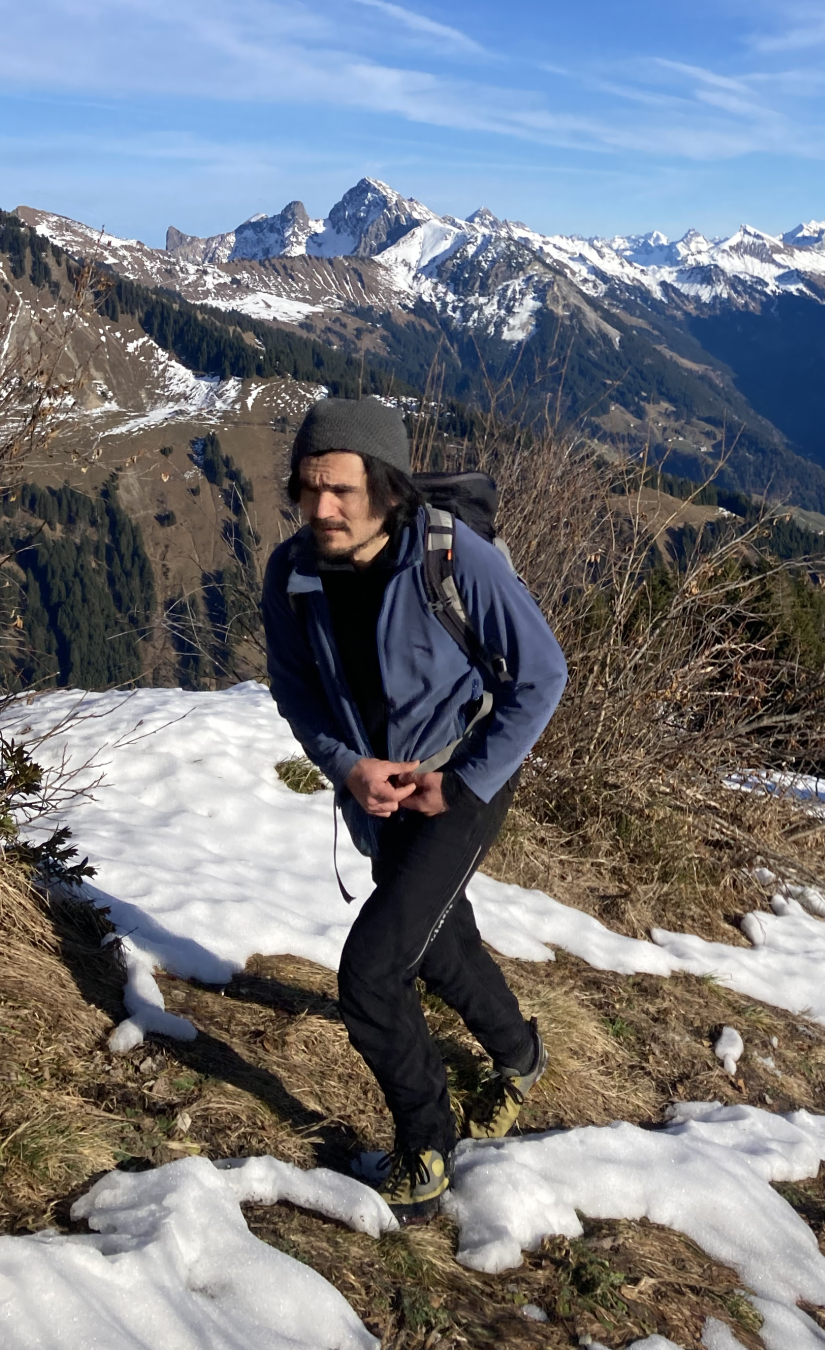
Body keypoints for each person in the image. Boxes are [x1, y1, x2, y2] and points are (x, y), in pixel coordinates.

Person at [262, 396, 568, 1220]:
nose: (320, 508)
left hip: (462, 784)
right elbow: (295, 691)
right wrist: (349, 767)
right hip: (378, 798)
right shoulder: (292, 574)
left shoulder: (453, 558)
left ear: (388, 489)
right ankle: (520, 1055)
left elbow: (541, 675)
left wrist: (463, 780)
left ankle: (426, 1147)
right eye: (307, 488)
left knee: (370, 974)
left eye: (341, 491)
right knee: (436, 940)